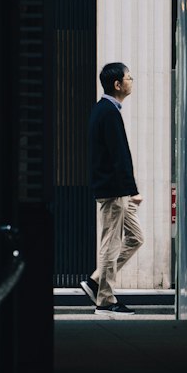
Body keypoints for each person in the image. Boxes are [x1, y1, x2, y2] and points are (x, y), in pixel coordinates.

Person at [79, 61, 144, 317]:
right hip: (114, 190)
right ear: (117, 84)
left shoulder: (105, 110)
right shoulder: (107, 111)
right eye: (129, 77)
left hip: (118, 189)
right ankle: (105, 301)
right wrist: (132, 188)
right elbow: (120, 156)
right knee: (110, 244)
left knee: (136, 238)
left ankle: (96, 281)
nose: (131, 80)